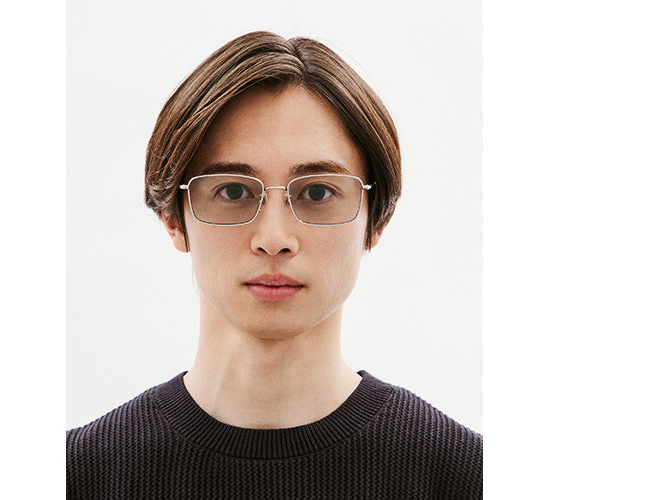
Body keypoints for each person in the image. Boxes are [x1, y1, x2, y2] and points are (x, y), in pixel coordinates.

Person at [67, 31, 482, 499]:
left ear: (375, 220)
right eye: (233, 191)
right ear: (173, 218)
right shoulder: (74, 477)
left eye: (318, 192)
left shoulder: (468, 478)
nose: (274, 239)